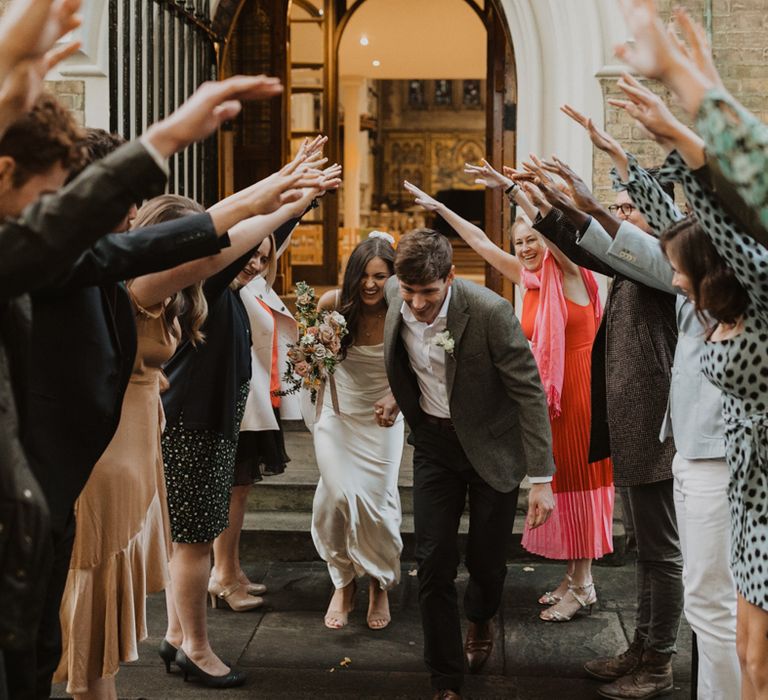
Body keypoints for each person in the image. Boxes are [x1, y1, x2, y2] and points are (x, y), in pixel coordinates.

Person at [2, 75, 287, 699]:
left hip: (56, 488)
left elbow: (173, 244)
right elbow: (188, 253)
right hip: (48, 481)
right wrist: (170, 137)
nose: (62, 209)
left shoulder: (80, 257)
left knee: (41, 655)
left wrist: (270, 196)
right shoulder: (35, 255)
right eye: (54, 193)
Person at [561, 93, 742, 697]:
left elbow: (667, 226)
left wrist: (602, 181)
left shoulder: (708, 284)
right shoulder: (691, 288)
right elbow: (655, 230)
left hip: (707, 453)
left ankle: (662, 661)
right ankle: (652, 650)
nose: (678, 276)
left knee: (699, 586)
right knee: (680, 576)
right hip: (676, 441)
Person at [160, 154, 337, 688]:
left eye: (261, 259)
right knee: (193, 544)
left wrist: (301, 200)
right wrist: (290, 190)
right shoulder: (205, 286)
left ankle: (173, 637)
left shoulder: (227, 288)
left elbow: (265, 238)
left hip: (210, 426)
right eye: (245, 255)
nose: (256, 264)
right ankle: (196, 648)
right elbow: (240, 236)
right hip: (195, 428)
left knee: (190, 540)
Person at [405, 177, 613, 622]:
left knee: (580, 484)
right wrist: (439, 208)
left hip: (579, 392)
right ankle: (574, 578)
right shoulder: (531, 282)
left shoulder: (576, 277)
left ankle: (583, 583)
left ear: (549, 240)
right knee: (560, 484)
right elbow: (479, 241)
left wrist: (522, 196)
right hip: (544, 396)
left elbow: (558, 236)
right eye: (518, 242)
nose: (524, 249)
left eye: (532, 239)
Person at [382, 228, 555, 699]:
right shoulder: (395, 297)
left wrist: (542, 478)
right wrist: (399, 401)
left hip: (492, 449)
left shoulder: (489, 312)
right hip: (435, 445)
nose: (416, 303)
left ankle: (480, 618)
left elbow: (528, 392)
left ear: (451, 278)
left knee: (486, 560)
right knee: (433, 560)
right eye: (409, 291)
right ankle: (446, 678)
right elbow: (404, 362)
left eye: (429, 292)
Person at [309, 232, 404, 631]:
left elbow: (420, 365)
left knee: (377, 502)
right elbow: (311, 363)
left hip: (384, 418)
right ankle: (343, 581)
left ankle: (379, 582)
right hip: (337, 416)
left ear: (393, 279)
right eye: (363, 275)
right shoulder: (333, 304)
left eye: (380, 277)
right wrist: (311, 359)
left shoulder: (403, 310)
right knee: (338, 496)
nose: (370, 284)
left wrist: (394, 396)